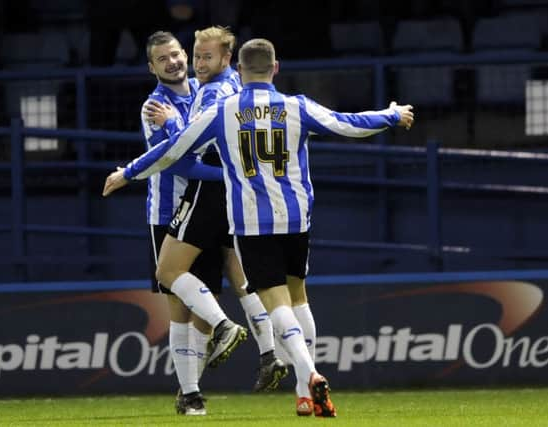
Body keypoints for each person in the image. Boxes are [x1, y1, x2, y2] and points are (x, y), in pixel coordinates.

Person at [103, 38, 414, 417]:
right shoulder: (296, 106)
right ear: (275, 68)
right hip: (298, 218)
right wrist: (391, 114)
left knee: (274, 300)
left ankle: (307, 371)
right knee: (299, 297)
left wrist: (128, 172)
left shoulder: (224, 110)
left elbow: (173, 150)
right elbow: (348, 125)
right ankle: (302, 392)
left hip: (251, 222)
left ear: (239, 70)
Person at [129, 27, 287, 413]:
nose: (177, 62)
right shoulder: (155, 106)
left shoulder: (213, 89)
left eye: (179, 54)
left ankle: (234, 356)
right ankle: (193, 392)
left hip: (209, 206)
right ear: (152, 67)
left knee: (210, 293)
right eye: (163, 58)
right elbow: (176, 161)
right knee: (182, 308)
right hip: (169, 211)